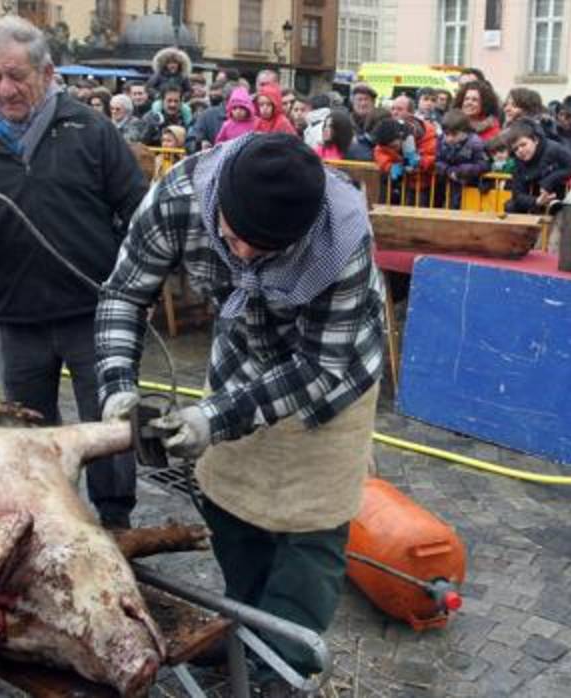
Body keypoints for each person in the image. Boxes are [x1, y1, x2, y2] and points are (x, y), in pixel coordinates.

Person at [95, 133, 384, 696]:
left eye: (267, 250)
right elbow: (125, 293)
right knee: (231, 508)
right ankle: (244, 637)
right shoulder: (176, 198)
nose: (245, 256)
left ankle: (284, 666)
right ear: (217, 203)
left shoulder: (343, 237)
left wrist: (211, 419)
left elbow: (318, 367)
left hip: (331, 381)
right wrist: (116, 385)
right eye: (235, 240)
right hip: (240, 359)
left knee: (309, 535)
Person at [0, 15, 147, 530]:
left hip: (91, 310)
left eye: (16, 76)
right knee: (27, 428)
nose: (5, 89)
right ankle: (44, 519)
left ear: (47, 72)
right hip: (18, 313)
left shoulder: (89, 129)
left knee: (108, 423)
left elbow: (138, 210)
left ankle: (116, 522)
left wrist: (125, 286)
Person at [504, 119, 571, 214]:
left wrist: (549, 181)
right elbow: (517, 194)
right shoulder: (518, 161)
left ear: (535, 140)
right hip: (534, 198)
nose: (520, 150)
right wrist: (536, 201)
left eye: (523, 145)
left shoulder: (554, 149)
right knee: (510, 206)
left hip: (557, 194)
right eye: (516, 149)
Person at [434, 110, 489, 208]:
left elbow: (484, 164)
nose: (449, 138)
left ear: (466, 131)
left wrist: (465, 170)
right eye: (447, 134)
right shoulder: (442, 141)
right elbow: (437, 160)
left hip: (471, 187)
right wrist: (448, 170)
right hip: (448, 186)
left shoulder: (476, 143)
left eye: (454, 134)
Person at [188, 81, 238, 152]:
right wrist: (199, 145)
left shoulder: (251, 120)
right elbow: (190, 142)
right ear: (226, 99)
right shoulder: (207, 116)